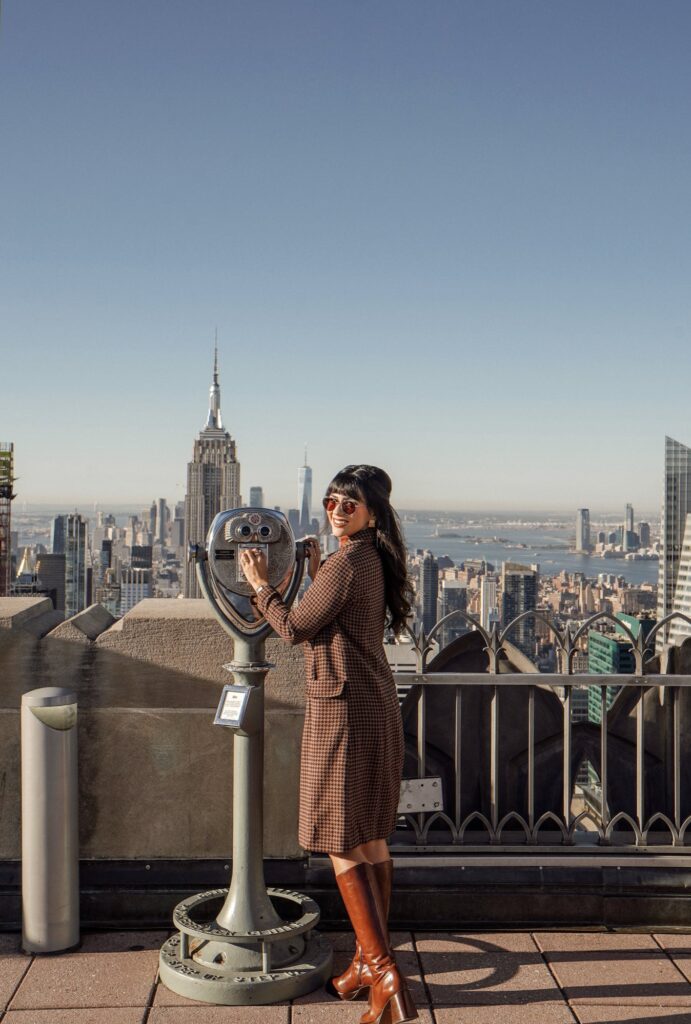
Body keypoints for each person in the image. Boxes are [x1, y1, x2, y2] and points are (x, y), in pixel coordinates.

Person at [240, 464, 417, 1024]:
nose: (338, 509)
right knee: (370, 839)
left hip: (342, 713)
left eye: (351, 503)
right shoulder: (369, 559)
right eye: (333, 500)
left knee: (341, 838)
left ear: (372, 512)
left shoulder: (348, 564)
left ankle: (386, 972)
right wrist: (318, 570)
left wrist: (260, 585)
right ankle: (367, 960)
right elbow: (339, 615)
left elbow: (293, 629)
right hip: (373, 705)